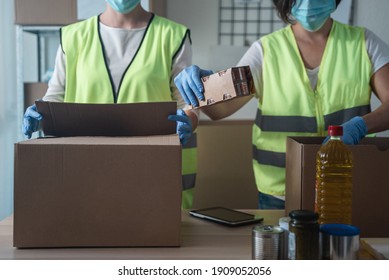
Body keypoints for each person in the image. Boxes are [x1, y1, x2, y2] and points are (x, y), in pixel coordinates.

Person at [174, 0, 389, 209]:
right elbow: (221, 109)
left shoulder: (363, 43)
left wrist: (360, 125)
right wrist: (202, 88)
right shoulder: (265, 51)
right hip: (279, 193)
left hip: (344, 186)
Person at [22, 0, 198, 209]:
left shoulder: (173, 35)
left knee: (151, 235)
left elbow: (187, 103)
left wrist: (189, 120)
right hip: (86, 166)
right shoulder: (73, 37)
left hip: (151, 166)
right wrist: (41, 113)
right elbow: (56, 95)